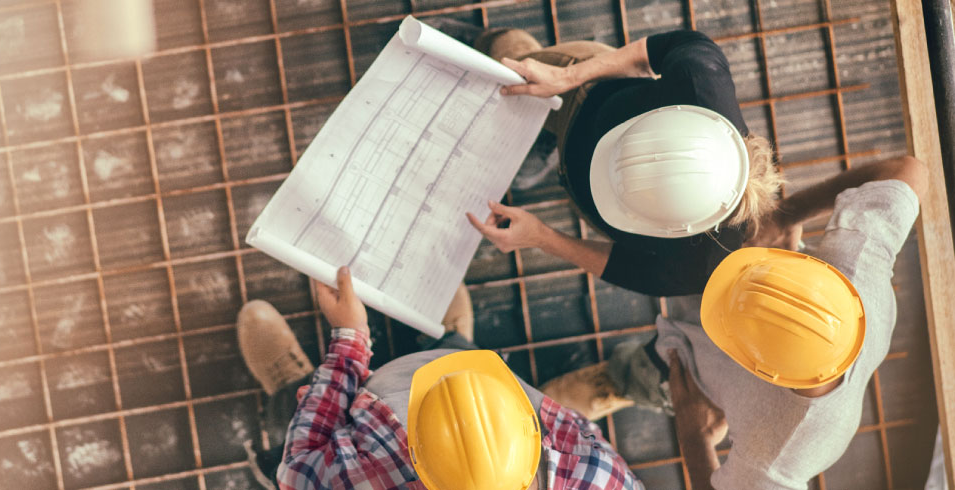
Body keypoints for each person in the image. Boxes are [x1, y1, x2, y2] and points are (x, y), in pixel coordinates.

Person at [543, 155, 929, 489]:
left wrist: (695, 438)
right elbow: (907, 171)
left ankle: (618, 381)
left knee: (645, 373)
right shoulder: (859, 267)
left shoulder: (778, 453)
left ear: (754, 366)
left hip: (692, 374)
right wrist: (783, 215)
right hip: (746, 275)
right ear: (818, 273)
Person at [445, 24, 785, 298]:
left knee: (525, 138)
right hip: (586, 89)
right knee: (512, 61)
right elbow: (649, 53)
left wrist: (540, 237)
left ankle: (547, 144)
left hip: (578, 161)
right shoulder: (700, 78)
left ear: (675, 229)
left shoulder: (701, 265)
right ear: (673, 113)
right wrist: (566, 78)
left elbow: (623, 266)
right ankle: (490, 39)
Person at [238, 266, 644, 489]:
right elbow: (577, 429)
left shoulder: (344, 480)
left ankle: (293, 386)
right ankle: (456, 347)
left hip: (370, 400)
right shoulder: (597, 475)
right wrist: (556, 412)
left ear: (416, 452)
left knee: (301, 412)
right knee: (466, 358)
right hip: (521, 406)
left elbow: (298, 468)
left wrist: (349, 341)